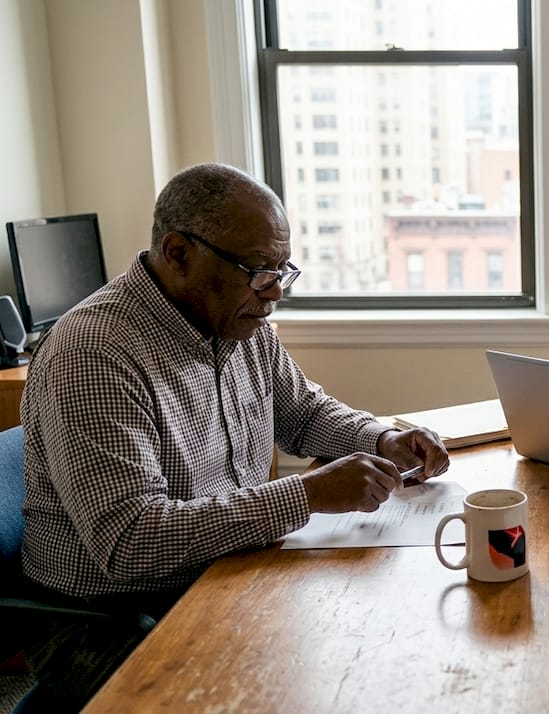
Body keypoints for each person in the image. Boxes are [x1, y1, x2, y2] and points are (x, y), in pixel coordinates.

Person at [18, 162, 452, 709]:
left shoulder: (239, 322)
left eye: (281, 269)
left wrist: (382, 436)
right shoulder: (94, 354)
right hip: (110, 619)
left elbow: (303, 413)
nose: (274, 292)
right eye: (257, 269)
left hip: (222, 572)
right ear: (178, 254)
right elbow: (130, 541)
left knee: (381, 647)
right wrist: (309, 495)